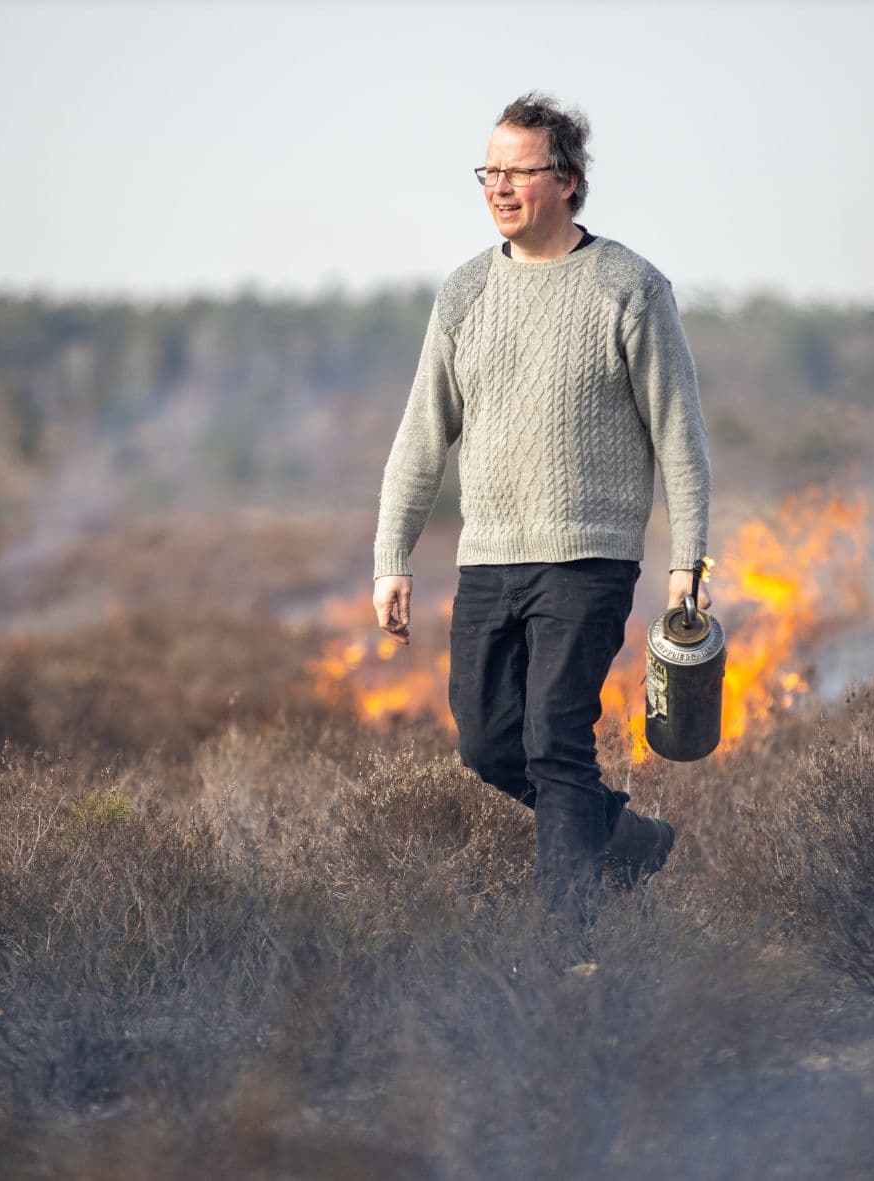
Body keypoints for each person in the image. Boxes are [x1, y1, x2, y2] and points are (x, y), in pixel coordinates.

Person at [371, 92, 712, 923]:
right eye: (488, 171)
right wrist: (391, 557)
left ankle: (569, 945)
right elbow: (421, 437)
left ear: (566, 179)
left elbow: (681, 437)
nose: (498, 186)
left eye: (518, 171)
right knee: (487, 744)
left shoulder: (630, 288)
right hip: (488, 559)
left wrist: (687, 566)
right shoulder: (463, 295)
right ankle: (624, 841)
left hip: (590, 558)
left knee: (557, 740)